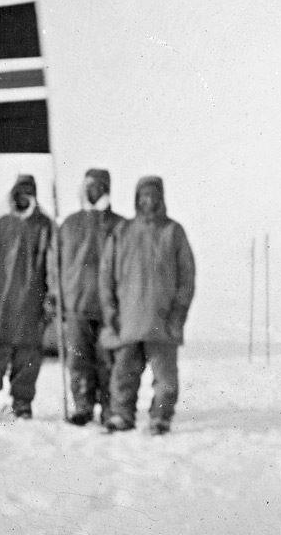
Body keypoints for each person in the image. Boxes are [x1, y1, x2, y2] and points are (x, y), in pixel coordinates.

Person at [99, 176, 196, 435]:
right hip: (127, 320)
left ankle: (161, 417)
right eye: (144, 195)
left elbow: (187, 278)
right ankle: (122, 415)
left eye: (154, 195)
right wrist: (111, 313)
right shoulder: (122, 231)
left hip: (162, 322)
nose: (148, 201)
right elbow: (106, 275)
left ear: (161, 198)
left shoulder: (173, 232)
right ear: (136, 198)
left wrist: (178, 315)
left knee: (165, 378)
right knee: (123, 375)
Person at [0, 174, 53, 421]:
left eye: (28, 193)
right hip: (2, 306)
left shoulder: (45, 227)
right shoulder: (1, 226)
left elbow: (54, 266)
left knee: (28, 359)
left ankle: (22, 403)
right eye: (19, 193)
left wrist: (52, 299)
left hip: (31, 306)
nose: (23, 197)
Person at [51, 168, 124, 426]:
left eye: (100, 187)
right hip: (76, 305)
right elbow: (55, 264)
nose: (95, 192)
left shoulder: (119, 225)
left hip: (108, 308)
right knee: (78, 361)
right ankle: (82, 406)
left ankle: (107, 407)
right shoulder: (68, 225)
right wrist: (54, 294)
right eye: (90, 187)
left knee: (107, 362)